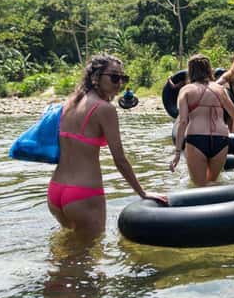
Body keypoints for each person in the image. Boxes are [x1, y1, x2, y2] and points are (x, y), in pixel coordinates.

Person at [49, 54, 166, 237]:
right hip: (83, 193)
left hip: (56, 190)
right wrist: (142, 192)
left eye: (123, 78)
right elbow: (119, 159)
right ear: (95, 77)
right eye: (114, 77)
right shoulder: (105, 109)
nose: (119, 83)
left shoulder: (70, 103)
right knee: (88, 257)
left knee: (68, 249)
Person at [172, 54, 234, 186]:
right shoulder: (221, 90)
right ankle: (232, 192)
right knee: (212, 183)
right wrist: (233, 136)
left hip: (196, 139)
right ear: (209, 70)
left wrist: (177, 153)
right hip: (221, 140)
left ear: (190, 71)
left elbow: (182, 122)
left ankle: (228, 191)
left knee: (200, 186)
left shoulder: (186, 90)